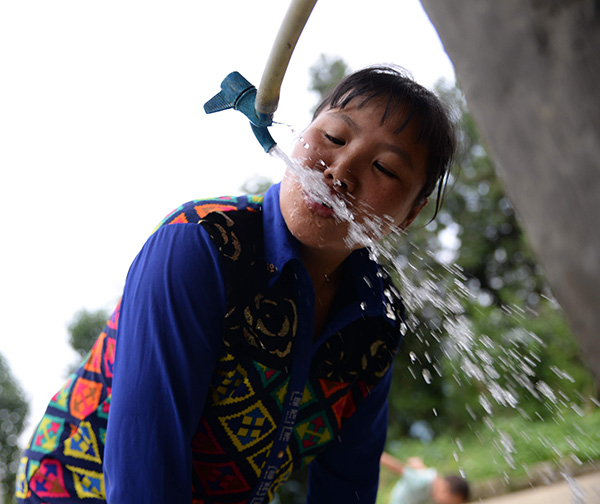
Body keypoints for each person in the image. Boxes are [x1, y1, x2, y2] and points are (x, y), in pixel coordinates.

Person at [15, 65, 457, 504]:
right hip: (74, 490)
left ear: (410, 214)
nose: (340, 170)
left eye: (384, 167)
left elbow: (349, 483)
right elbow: (145, 473)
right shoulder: (202, 244)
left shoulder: (377, 318)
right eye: (334, 137)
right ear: (299, 135)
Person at [380, 452, 470, 504]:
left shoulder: (436, 479)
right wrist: (377, 454)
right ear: (444, 490)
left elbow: (422, 469)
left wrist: (416, 464)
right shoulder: (422, 481)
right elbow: (398, 469)